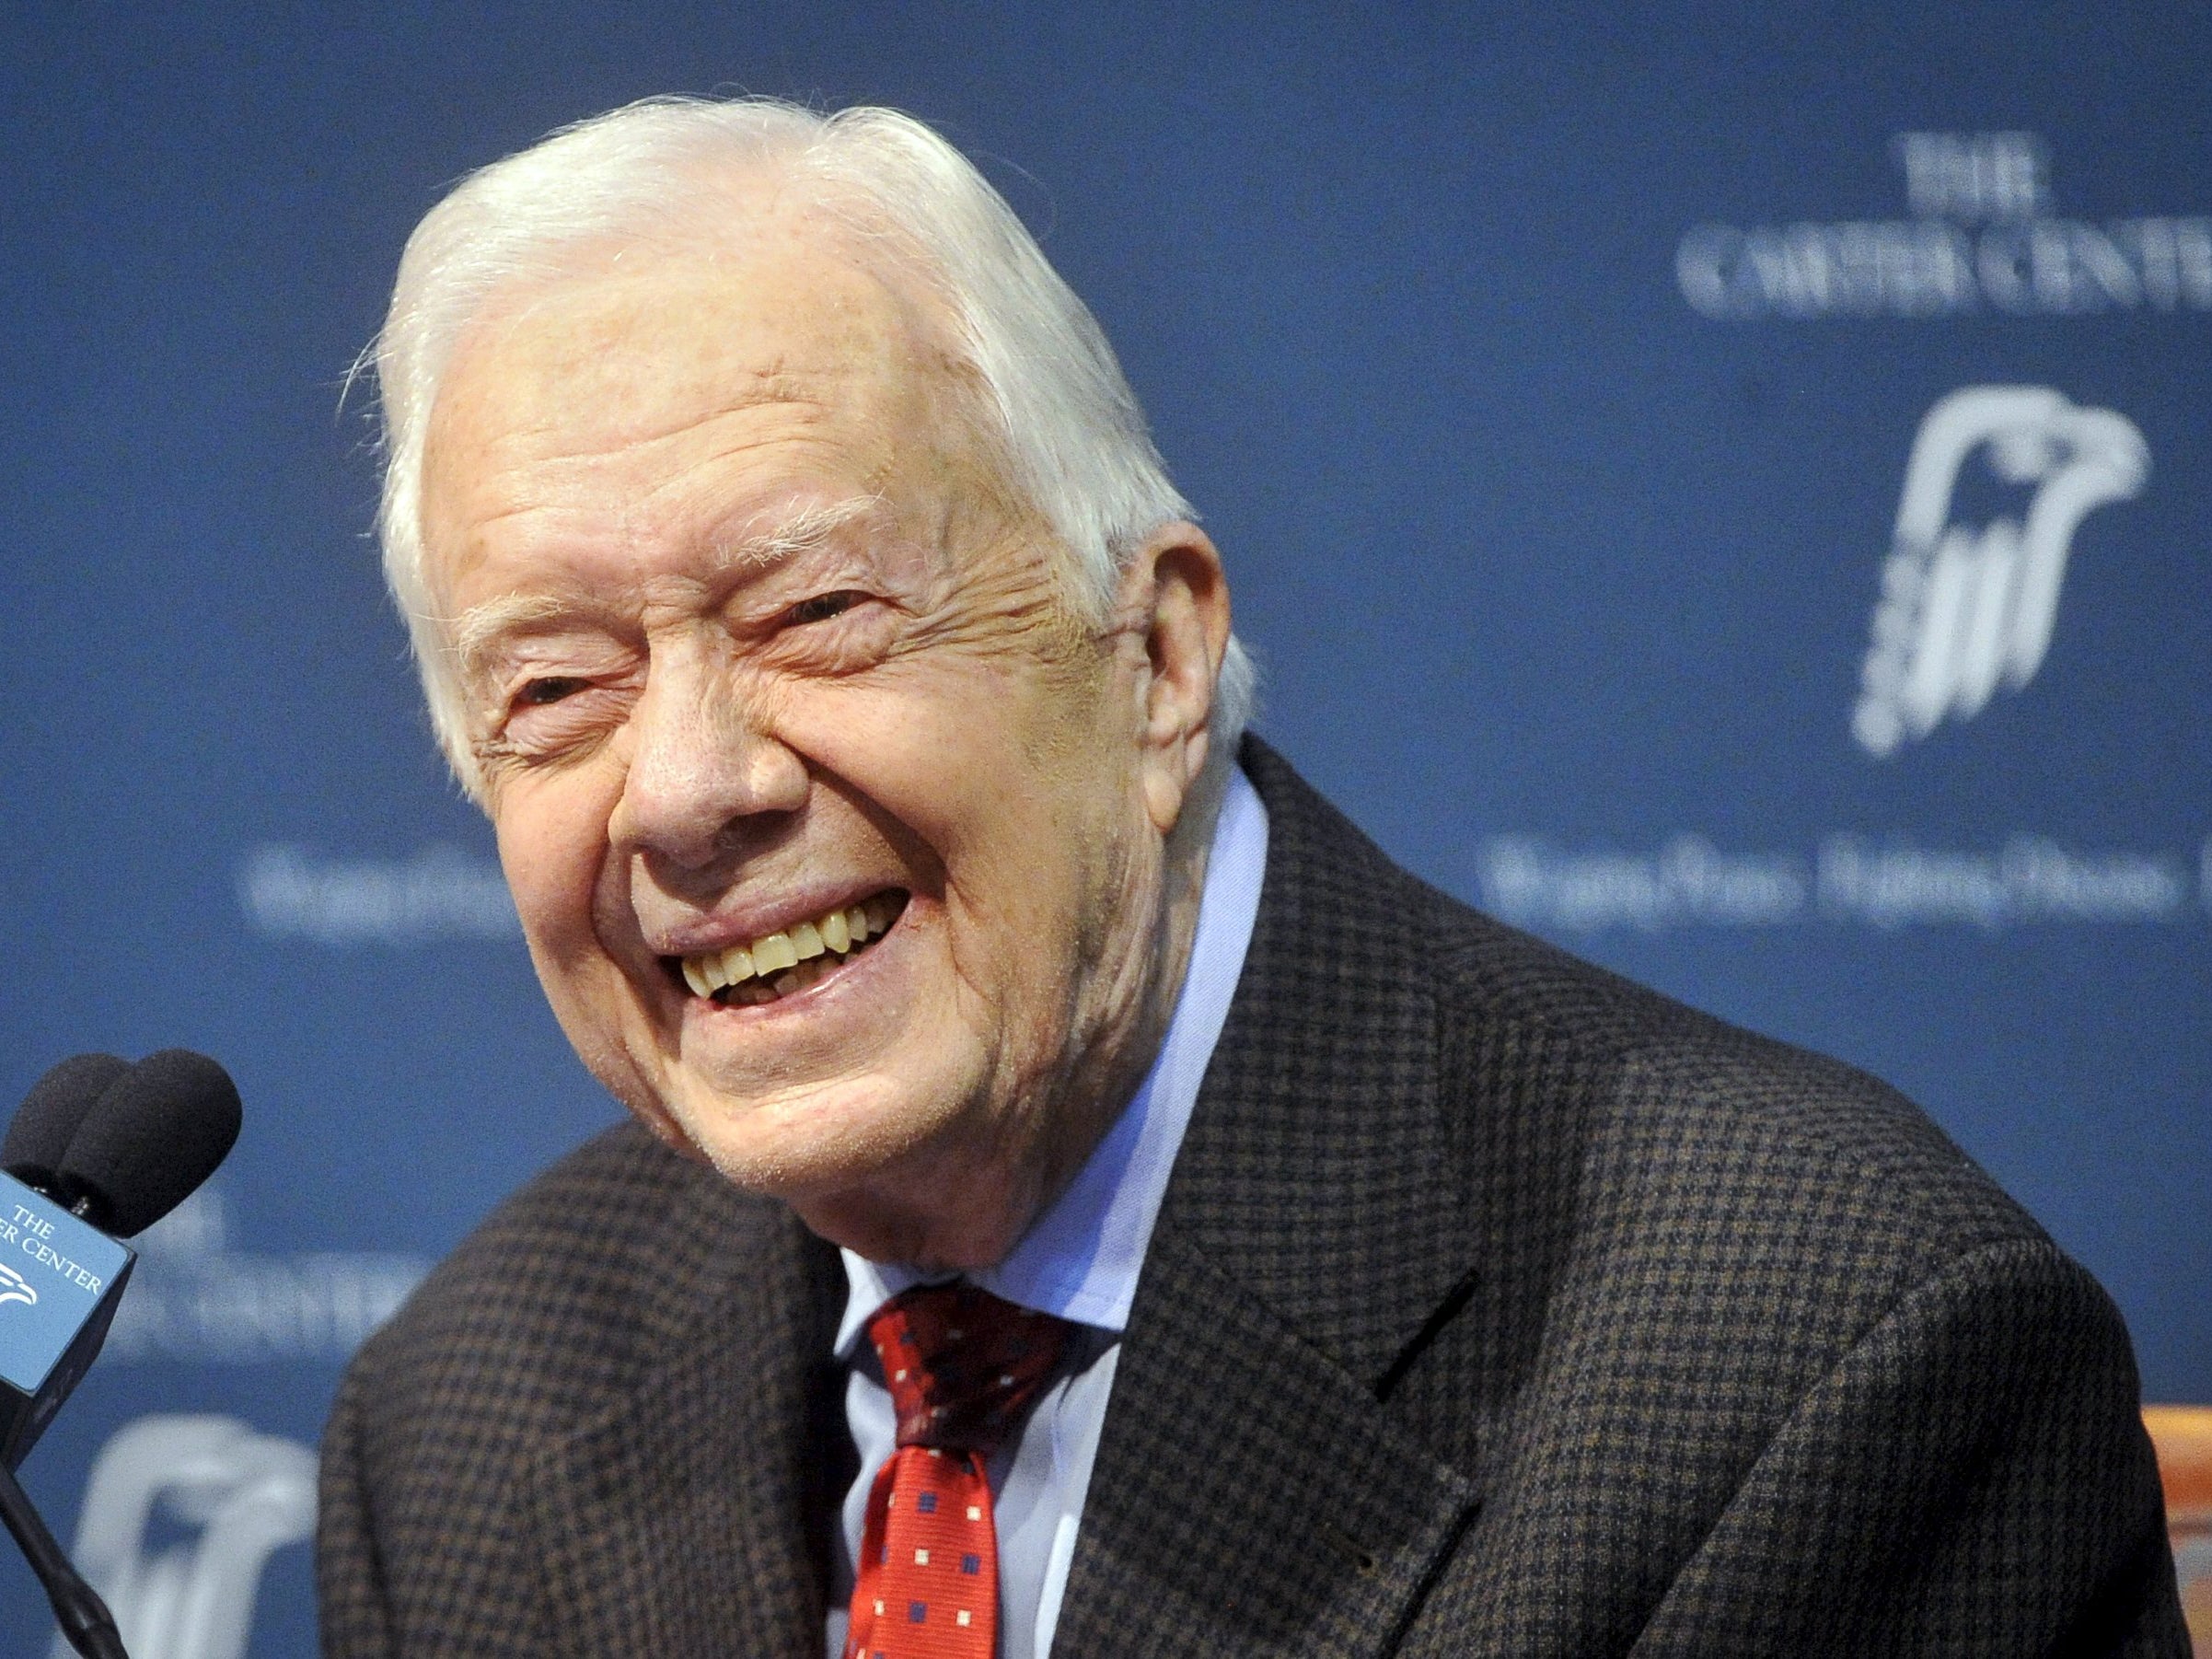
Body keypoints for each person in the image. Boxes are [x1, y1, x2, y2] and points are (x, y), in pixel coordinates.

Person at [316, 97, 2185, 1657]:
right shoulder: (462, 1420)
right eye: (555, 690)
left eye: (814, 612)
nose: (688, 789)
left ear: (1153, 659)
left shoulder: (1811, 1359)